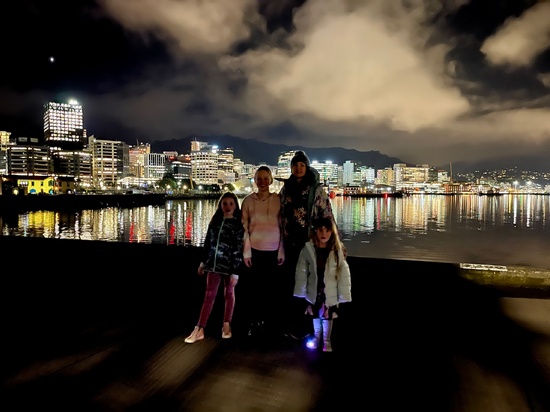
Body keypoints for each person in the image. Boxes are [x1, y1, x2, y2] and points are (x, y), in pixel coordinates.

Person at [279, 150, 336, 339]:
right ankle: (292, 325)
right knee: (292, 283)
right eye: (295, 165)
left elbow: (327, 215)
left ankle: (308, 328)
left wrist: (334, 242)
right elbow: (280, 214)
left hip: (309, 244)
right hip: (290, 243)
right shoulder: (286, 189)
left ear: (307, 167)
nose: (298, 168)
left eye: (302, 165)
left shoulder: (315, 189)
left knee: (310, 285)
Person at [185, 192, 244, 344]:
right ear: (220, 205)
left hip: (229, 265)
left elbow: (238, 249)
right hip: (212, 264)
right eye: (225, 203)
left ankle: (226, 325)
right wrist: (203, 262)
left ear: (236, 206)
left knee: (229, 293)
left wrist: (235, 272)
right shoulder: (215, 222)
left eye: (231, 203)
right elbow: (207, 243)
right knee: (209, 295)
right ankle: (199, 328)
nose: (228, 206)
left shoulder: (238, 225)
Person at [294, 217, 352, 352]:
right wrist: (301, 291)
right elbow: (301, 271)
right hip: (314, 288)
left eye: (327, 230)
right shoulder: (308, 249)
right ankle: (316, 337)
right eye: (321, 230)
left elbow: (344, 273)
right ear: (316, 231)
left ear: (332, 232)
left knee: (327, 314)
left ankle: (327, 340)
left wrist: (344, 294)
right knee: (315, 313)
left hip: (330, 289)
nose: (323, 233)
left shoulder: (337, 250)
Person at [241, 166, 285, 337]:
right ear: (255, 181)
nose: (263, 182)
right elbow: (244, 228)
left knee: (272, 291)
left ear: (271, 180)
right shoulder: (248, 201)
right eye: (259, 178)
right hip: (255, 251)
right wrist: (246, 253)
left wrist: (281, 251)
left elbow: (283, 228)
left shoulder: (278, 200)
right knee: (254, 290)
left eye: (266, 178)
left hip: (274, 252)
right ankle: (254, 322)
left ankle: (270, 324)